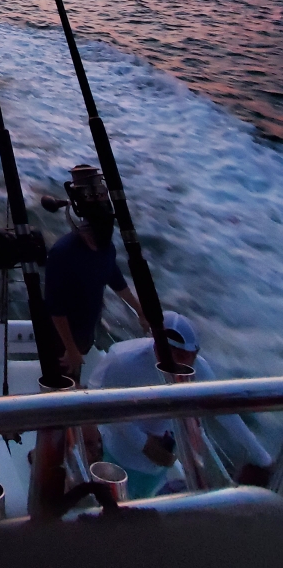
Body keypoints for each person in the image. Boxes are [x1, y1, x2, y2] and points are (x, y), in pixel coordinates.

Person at [89, 310, 274, 499]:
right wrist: (143, 443)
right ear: (161, 348)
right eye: (181, 356)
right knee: (119, 504)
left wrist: (262, 458)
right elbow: (104, 403)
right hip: (123, 450)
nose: (188, 365)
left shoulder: (197, 367)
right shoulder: (122, 360)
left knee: (147, 499)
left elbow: (224, 410)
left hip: (163, 453)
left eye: (192, 356)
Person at [44, 164, 148, 378]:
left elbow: (116, 280)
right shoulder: (62, 253)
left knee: (78, 379)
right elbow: (55, 309)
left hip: (86, 335)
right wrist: (70, 349)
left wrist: (141, 312)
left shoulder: (106, 248)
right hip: (61, 343)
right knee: (63, 388)